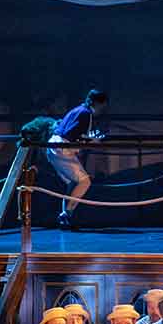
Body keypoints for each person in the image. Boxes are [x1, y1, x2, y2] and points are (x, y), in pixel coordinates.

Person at [46, 89, 108, 229]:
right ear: (96, 103)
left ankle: (66, 216)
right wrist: (92, 140)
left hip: (58, 148)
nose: (102, 110)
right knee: (84, 181)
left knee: (75, 183)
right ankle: (65, 214)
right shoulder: (85, 113)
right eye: (102, 106)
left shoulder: (80, 110)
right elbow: (71, 135)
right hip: (61, 149)